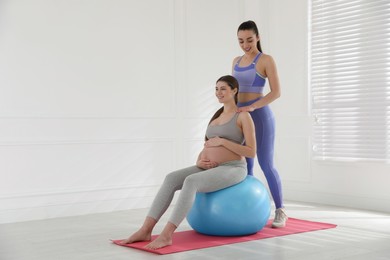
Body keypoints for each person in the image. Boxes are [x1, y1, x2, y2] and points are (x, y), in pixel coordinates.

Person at [120, 75, 256, 250]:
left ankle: (167, 235)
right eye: (216, 89)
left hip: (233, 168)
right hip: (208, 167)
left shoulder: (243, 116)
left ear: (234, 91)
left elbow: (251, 151)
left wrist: (223, 142)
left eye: (223, 89)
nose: (218, 93)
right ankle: (145, 229)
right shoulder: (216, 116)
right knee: (171, 178)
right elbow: (207, 144)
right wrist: (200, 160)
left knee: (191, 181)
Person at [232, 20, 287, 228]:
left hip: (260, 117)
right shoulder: (236, 61)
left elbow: (276, 92)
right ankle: (249, 209)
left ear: (258, 37)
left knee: (266, 163)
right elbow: (234, 91)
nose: (245, 44)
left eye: (249, 40)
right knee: (246, 165)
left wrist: (252, 107)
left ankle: (280, 210)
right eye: (240, 41)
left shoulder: (265, 60)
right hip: (241, 118)